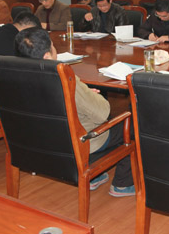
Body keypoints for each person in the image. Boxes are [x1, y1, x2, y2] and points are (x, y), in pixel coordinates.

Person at [15, 27, 135, 197]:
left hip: (42, 140)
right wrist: (87, 94)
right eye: (53, 46)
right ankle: (122, 184)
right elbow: (103, 112)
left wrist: (83, 94)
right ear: (47, 56)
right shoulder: (64, 78)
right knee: (131, 123)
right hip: (77, 143)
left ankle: (95, 176)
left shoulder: (15, 76)